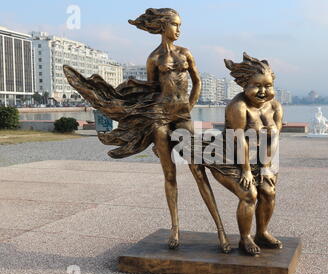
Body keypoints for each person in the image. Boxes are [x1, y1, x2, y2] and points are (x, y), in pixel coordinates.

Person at [63, 8, 231, 253]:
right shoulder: (153, 58)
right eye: (175, 24)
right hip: (160, 116)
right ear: (163, 26)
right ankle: (175, 228)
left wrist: (189, 107)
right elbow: (152, 89)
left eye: (179, 25)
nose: (179, 30)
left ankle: (221, 231)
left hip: (182, 116)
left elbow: (198, 81)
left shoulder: (186, 53)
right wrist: (145, 123)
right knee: (169, 174)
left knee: (198, 170)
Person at [204, 53, 283, 256]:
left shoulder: (275, 106)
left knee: (269, 192)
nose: (263, 91)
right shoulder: (238, 107)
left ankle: (262, 232)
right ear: (244, 85)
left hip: (261, 158)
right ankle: (245, 237)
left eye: (268, 86)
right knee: (249, 194)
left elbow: (273, 138)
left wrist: (266, 167)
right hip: (228, 156)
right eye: (257, 86)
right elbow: (239, 140)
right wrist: (246, 171)